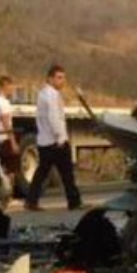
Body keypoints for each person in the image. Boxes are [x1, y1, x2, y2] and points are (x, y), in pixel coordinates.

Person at [25, 64, 84, 212]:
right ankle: (74, 202)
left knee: (42, 172)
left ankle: (31, 201)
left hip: (44, 140)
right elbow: (54, 118)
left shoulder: (42, 93)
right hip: (55, 141)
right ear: (50, 78)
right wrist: (60, 137)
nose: (62, 81)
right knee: (67, 173)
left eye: (63, 77)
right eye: (59, 77)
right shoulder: (52, 95)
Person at [0, 76, 19, 177]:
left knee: (0, 168)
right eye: (11, 86)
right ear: (5, 85)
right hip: (4, 140)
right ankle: (10, 191)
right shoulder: (3, 103)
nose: (12, 88)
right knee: (11, 171)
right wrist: (13, 142)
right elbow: (6, 122)